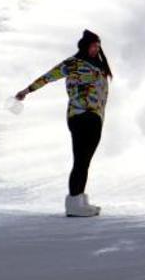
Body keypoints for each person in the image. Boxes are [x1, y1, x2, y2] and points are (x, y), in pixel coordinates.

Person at [15, 29, 112, 217]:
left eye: (98, 46)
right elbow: (48, 76)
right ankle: (74, 204)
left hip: (96, 117)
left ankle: (80, 200)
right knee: (81, 159)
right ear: (85, 46)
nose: (96, 49)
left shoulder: (99, 66)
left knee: (85, 161)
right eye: (93, 45)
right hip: (80, 115)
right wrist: (27, 91)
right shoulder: (73, 63)